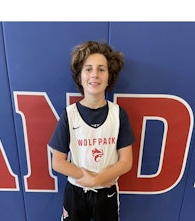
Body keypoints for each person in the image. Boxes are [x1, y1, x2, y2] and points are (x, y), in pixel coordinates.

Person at [49, 40, 135, 221]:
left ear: (109, 76)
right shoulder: (69, 114)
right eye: (88, 69)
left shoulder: (118, 115)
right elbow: (57, 162)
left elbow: (126, 162)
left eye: (101, 69)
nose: (94, 74)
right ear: (80, 76)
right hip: (76, 191)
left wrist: (97, 180)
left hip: (107, 191)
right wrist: (83, 176)